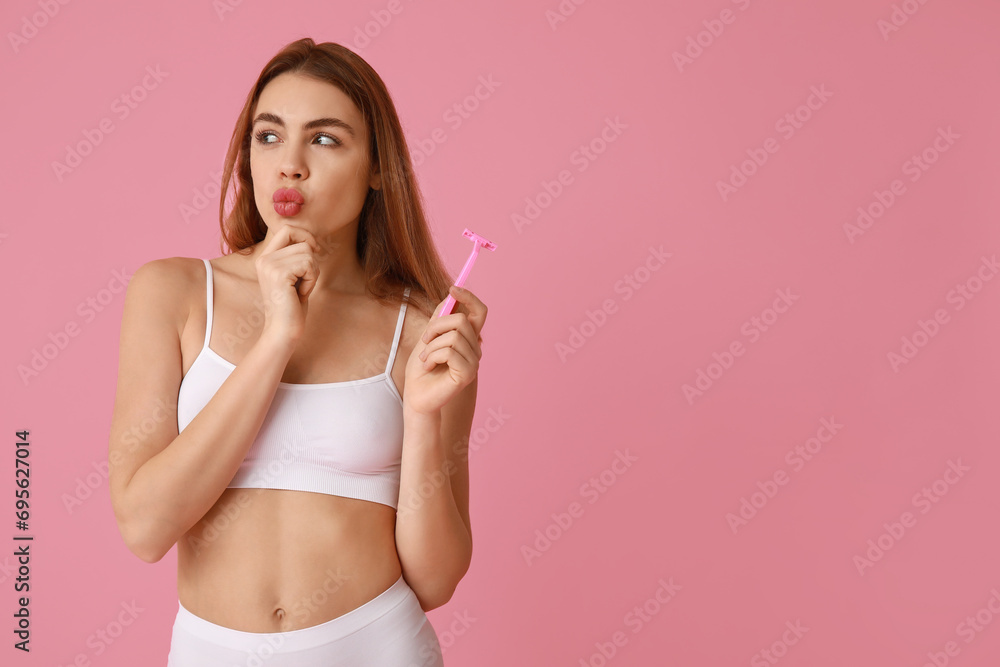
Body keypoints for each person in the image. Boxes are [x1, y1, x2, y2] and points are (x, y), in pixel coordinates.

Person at [107, 37, 486, 666]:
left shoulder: (425, 330)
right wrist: (277, 336)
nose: (290, 165)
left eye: (326, 139)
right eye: (269, 136)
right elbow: (145, 528)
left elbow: (436, 581)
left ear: (377, 171)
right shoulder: (171, 292)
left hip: (377, 647)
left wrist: (420, 415)